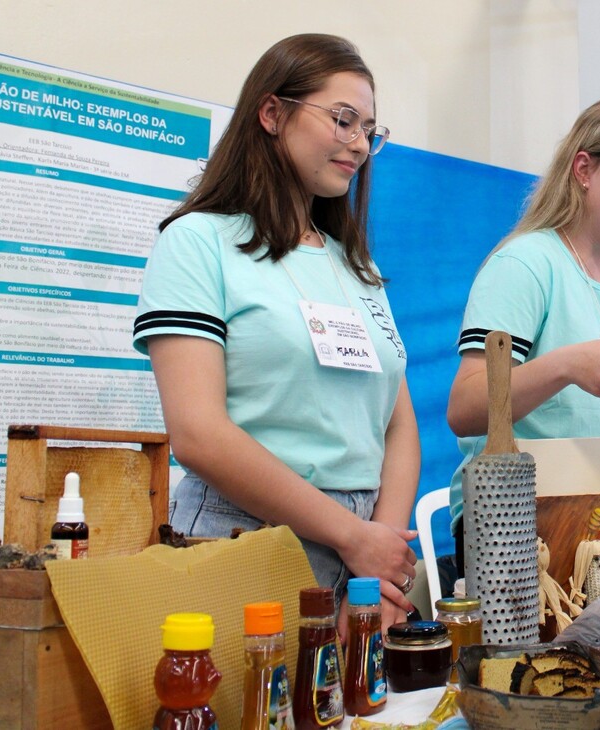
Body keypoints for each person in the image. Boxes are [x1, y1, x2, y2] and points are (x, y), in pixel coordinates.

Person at [132, 34, 420, 633]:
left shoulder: (355, 267)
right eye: (343, 120)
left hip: (363, 550)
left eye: (371, 129)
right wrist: (352, 537)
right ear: (272, 113)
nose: (360, 144)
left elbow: (398, 423)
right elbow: (198, 434)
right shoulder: (199, 242)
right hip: (245, 535)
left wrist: (380, 568)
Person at [446, 96, 600, 574]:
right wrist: (566, 367)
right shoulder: (525, 265)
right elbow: (466, 409)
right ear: (583, 168)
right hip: (518, 523)